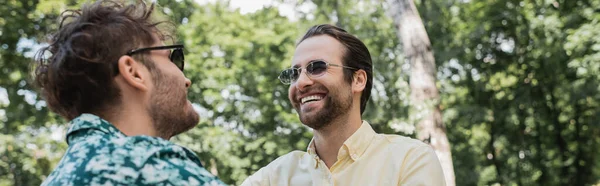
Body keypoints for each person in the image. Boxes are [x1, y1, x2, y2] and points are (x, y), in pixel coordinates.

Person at [35, 0, 223, 185]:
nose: (186, 80)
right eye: (172, 58)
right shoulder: (146, 163)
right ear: (134, 72)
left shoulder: (64, 175)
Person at [242, 24, 446, 186]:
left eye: (317, 67)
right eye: (294, 73)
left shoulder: (409, 160)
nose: (301, 82)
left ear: (358, 80)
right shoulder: (273, 177)